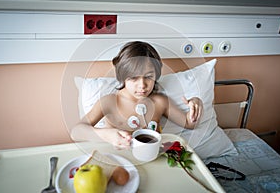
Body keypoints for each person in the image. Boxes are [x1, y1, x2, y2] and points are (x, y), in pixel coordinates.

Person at [71, 41, 203, 149]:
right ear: (122, 76)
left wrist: (196, 102)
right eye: (134, 78)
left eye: (149, 77)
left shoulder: (159, 102)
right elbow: (76, 131)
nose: (142, 85)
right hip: (119, 161)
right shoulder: (109, 102)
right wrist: (106, 135)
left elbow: (189, 124)